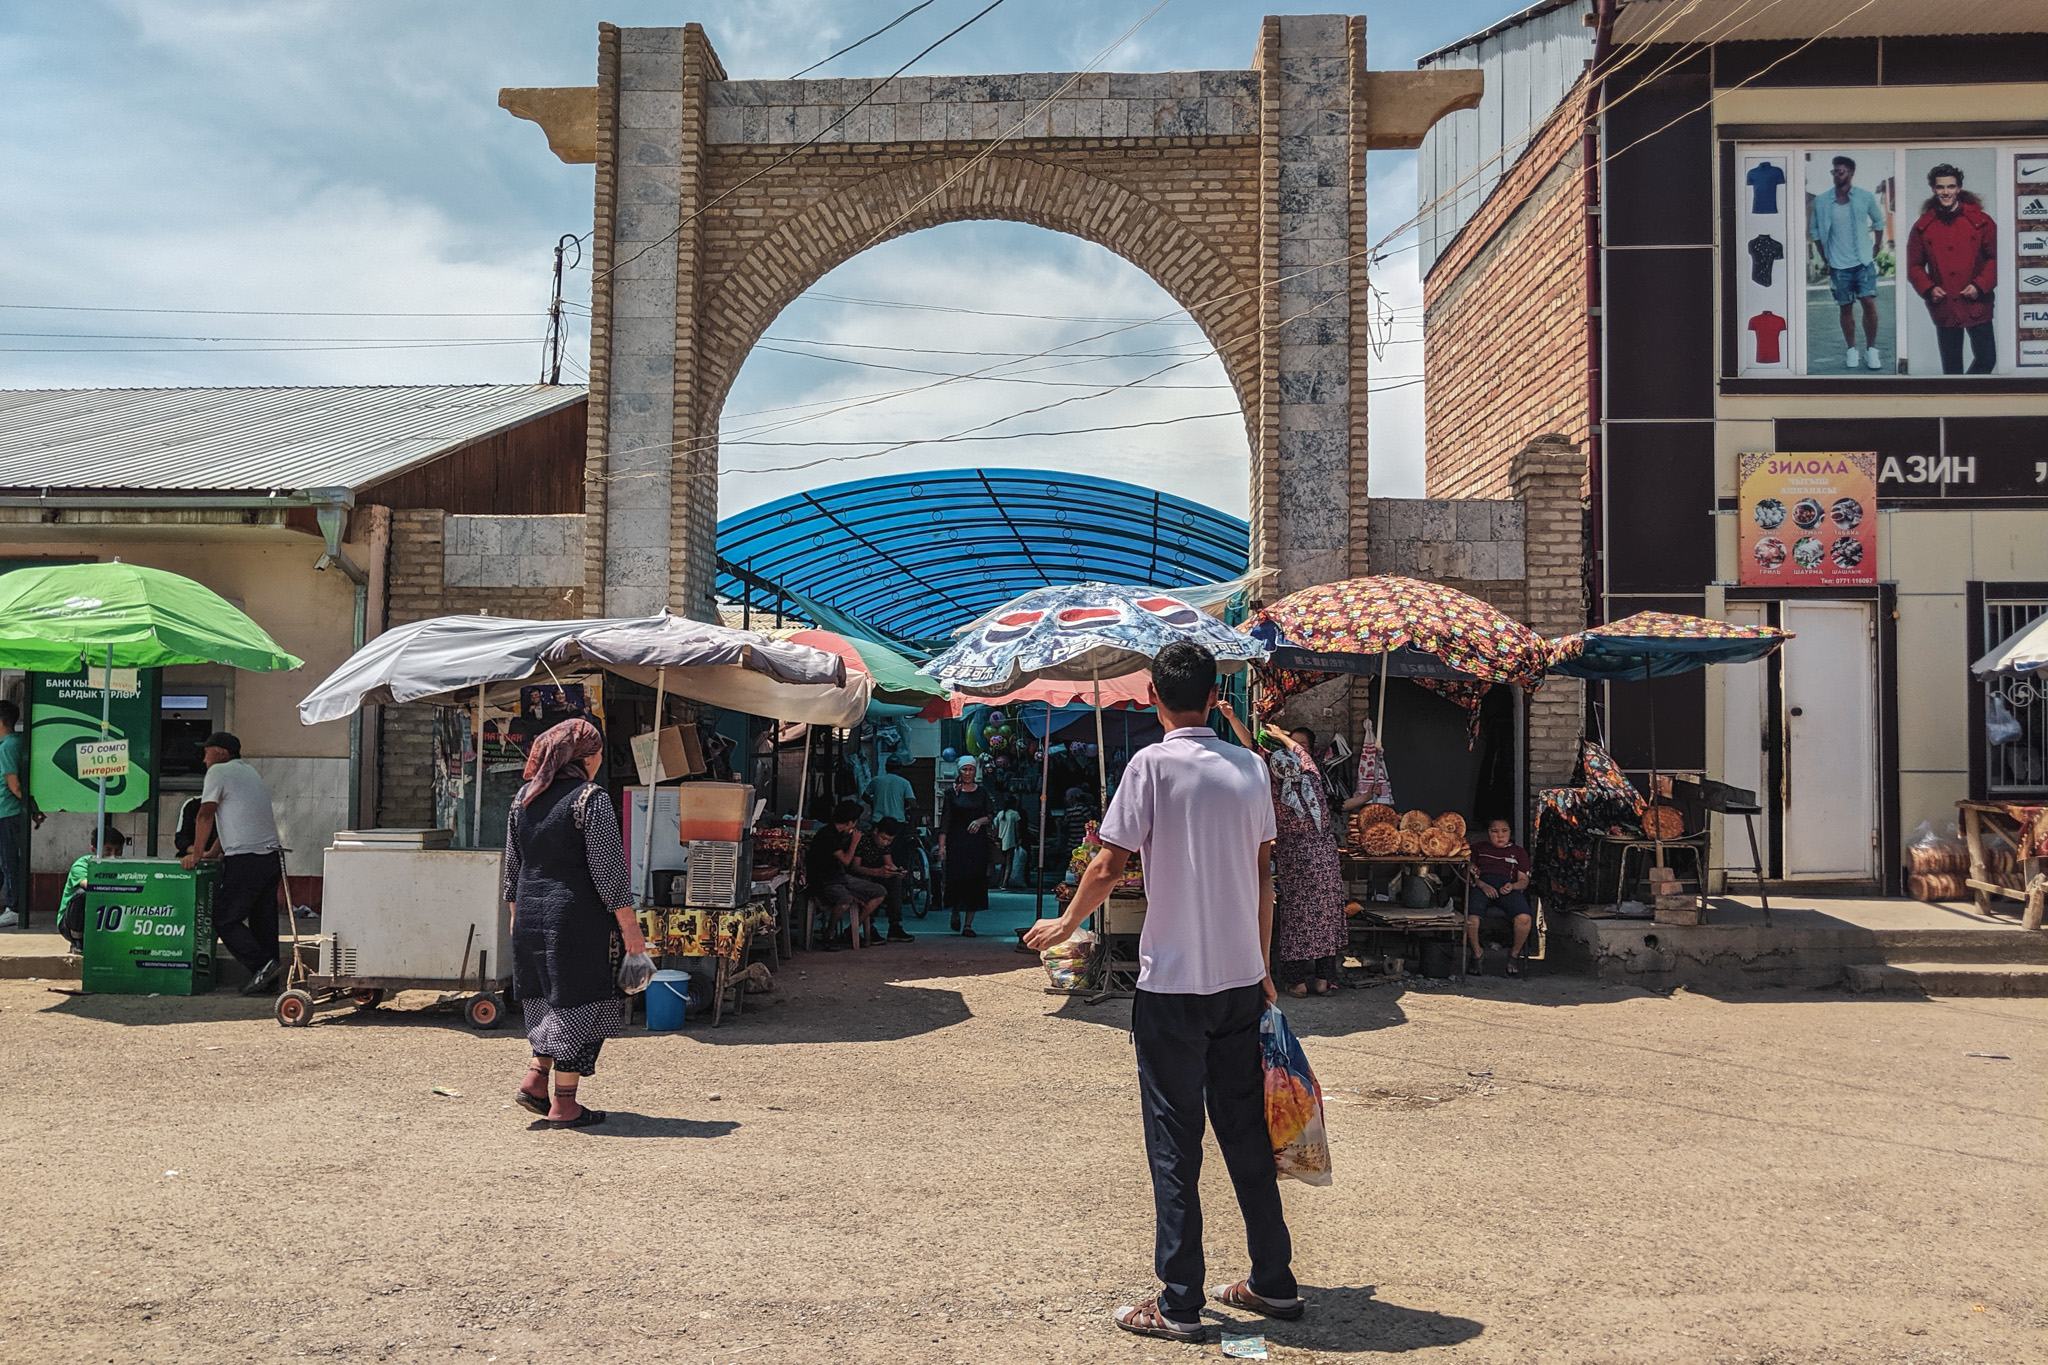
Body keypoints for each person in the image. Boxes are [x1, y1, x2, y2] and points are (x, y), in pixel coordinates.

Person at [1025, 641, 1297, 1343]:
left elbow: (1110, 861)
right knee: (1243, 1131)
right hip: (1240, 980)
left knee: (1176, 1142)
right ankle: (1273, 1279)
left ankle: (1180, 1299)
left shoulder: (1149, 765)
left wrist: (1064, 922)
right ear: (1215, 698)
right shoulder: (1251, 769)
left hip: (1173, 985)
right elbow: (1265, 876)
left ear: (1153, 697)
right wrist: (1264, 964)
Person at [503, 719, 645, 1129]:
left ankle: (535, 1079)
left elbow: (512, 871)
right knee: (577, 1002)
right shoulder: (591, 799)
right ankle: (565, 1105)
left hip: (530, 917)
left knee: (547, 1000)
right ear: (583, 758)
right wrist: (631, 932)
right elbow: (610, 875)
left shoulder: (522, 800)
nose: (600, 759)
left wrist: (516, 922)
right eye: (597, 751)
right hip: (575, 920)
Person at [1219, 703, 1348, 997]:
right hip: (1325, 853)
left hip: (1294, 855)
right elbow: (1300, 753)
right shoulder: (1312, 776)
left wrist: (1232, 717)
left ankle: (1296, 982)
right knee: (1325, 915)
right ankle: (1324, 981)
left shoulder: (1273, 788)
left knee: (1296, 916)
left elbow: (1250, 745)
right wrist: (1282, 735)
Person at [180, 732, 285, 995]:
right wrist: (215, 851)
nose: (204, 759)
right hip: (271, 857)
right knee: (263, 920)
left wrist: (196, 853)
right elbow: (233, 819)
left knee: (225, 918)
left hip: (246, 859)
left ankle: (262, 964)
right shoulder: (248, 772)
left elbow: (206, 814)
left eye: (207, 752)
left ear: (222, 753)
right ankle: (268, 980)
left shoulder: (219, 772)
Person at [1907, 162, 1998, 375]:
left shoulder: (1982, 222)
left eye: (1950, 186)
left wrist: (1979, 285)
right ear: (1933, 189)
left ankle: (1970, 402)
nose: (1945, 192)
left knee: (1987, 359)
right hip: (1945, 304)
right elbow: (1914, 265)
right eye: (1940, 187)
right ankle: (1957, 405)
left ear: (1958, 188)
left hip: (1977, 303)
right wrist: (1929, 289)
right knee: (1951, 369)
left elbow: (1995, 259)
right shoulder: (1922, 227)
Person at [1808, 154, 1888, 372]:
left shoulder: (1864, 197)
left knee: (1869, 304)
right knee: (1845, 309)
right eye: (1834, 171)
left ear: (1851, 173)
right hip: (1838, 265)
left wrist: (1877, 246)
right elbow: (1815, 230)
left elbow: (1879, 220)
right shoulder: (1823, 201)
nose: (1836, 175)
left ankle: (1871, 350)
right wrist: (1825, 257)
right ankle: (1851, 349)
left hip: (1863, 262)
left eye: (1841, 171)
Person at [807, 798, 888, 948]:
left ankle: (851, 930)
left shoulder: (839, 834)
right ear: (850, 822)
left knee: (879, 891)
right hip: (825, 880)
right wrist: (854, 843)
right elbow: (846, 860)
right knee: (844, 900)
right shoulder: (827, 834)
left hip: (840, 877)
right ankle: (829, 933)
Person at [1467, 817, 1534, 976]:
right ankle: (1477, 954)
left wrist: (1513, 886)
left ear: (1510, 833)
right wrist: (1482, 884)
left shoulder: (1518, 852)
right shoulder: (1477, 849)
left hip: (1508, 888)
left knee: (1524, 918)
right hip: (1482, 887)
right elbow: (1469, 872)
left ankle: (1514, 956)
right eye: (1494, 831)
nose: (1500, 835)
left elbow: (1524, 881)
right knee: (1471, 918)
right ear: (1488, 833)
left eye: (1504, 831)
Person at [938, 756, 995, 936]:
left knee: (975, 882)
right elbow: (945, 820)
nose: (968, 773)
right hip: (956, 843)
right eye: (964, 770)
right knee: (956, 879)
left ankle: (968, 925)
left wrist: (980, 821)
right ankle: (955, 910)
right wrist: (942, 845)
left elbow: (991, 815)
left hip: (977, 845)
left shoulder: (983, 792)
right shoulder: (952, 792)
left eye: (971, 769)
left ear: (975, 771)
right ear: (959, 771)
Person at [0, 699, 40, 929]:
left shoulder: (7, 747)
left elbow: (15, 786)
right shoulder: (18, 742)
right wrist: (33, 809)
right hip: (11, 812)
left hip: (8, 812)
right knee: (6, 862)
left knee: (9, 863)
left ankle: (14, 908)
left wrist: (31, 807)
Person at [57, 822, 126, 951]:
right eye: (108, 850)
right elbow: (90, 886)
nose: (113, 855)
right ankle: (78, 940)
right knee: (82, 895)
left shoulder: (122, 867)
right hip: (70, 924)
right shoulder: (81, 865)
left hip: (103, 921)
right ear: (94, 850)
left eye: (118, 850)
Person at [853, 816, 915, 942]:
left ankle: (894, 925)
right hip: (862, 876)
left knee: (895, 882)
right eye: (883, 839)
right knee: (868, 884)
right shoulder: (864, 840)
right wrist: (876, 872)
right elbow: (855, 867)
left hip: (877, 875)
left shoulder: (884, 846)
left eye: (889, 840)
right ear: (876, 831)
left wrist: (897, 871)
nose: (885, 842)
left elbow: (889, 862)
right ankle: (870, 927)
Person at [863, 760, 915, 825]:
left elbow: (864, 796)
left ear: (886, 768)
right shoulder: (904, 783)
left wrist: (873, 803)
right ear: (900, 768)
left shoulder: (876, 780)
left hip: (878, 820)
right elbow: (912, 802)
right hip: (897, 821)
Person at [993, 798, 1023, 890]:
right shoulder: (1015, 814)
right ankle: (1005, 883)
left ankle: (1000, 882)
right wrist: (1018, 841)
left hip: (1001, 841)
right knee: (1009, 863)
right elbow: (1017, 830)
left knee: (1003, 863)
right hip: (1010, 841)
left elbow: (996, 828)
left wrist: (996, 839)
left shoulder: (1000, 814)